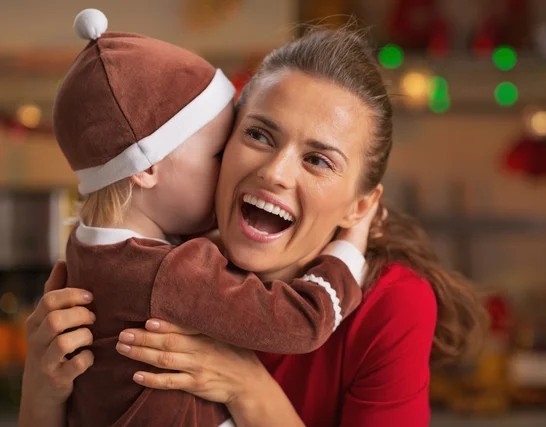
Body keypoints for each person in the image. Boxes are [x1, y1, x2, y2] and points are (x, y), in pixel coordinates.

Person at [19, 27, 484, 427]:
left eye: (318, 160)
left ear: (359, 207)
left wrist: (248, 388)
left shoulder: (391, 302)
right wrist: (41, 394)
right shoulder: (156, 257)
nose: (276, 172)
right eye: (259, 135)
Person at [52, 9, 371, 427]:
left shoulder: (82, 247)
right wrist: (349, 249)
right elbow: (302, 322)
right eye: (219, 152)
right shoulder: (173, 270)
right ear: (147, 168)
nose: (229, 171)